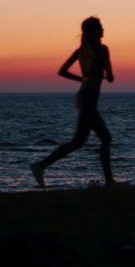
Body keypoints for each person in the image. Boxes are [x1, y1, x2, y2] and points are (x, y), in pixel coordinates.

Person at [31, 16, 115, 187]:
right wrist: (102, 76)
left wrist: (84, 79)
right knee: (104, 138)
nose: (103, 29)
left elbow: (62, 71)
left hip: (82, 96)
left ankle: (41, 166)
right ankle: (109, 182)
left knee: (80, 141)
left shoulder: (81, 51)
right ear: (95, 31)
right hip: (88, 99)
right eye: (101, 27)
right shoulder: (103, 49)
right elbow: (111, 77)